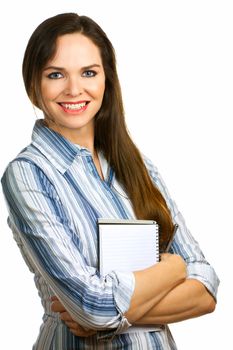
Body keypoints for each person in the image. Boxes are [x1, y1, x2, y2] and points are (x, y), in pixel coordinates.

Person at [1, 12, 219, 350]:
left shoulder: (139, 167)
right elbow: (92, 307)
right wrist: (173, 269)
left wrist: (112, 313)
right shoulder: (28, 174)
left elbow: (205, 288)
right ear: (33, 84)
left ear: (107, 80)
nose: (74, 89)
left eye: (89, 72)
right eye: (56, 74)